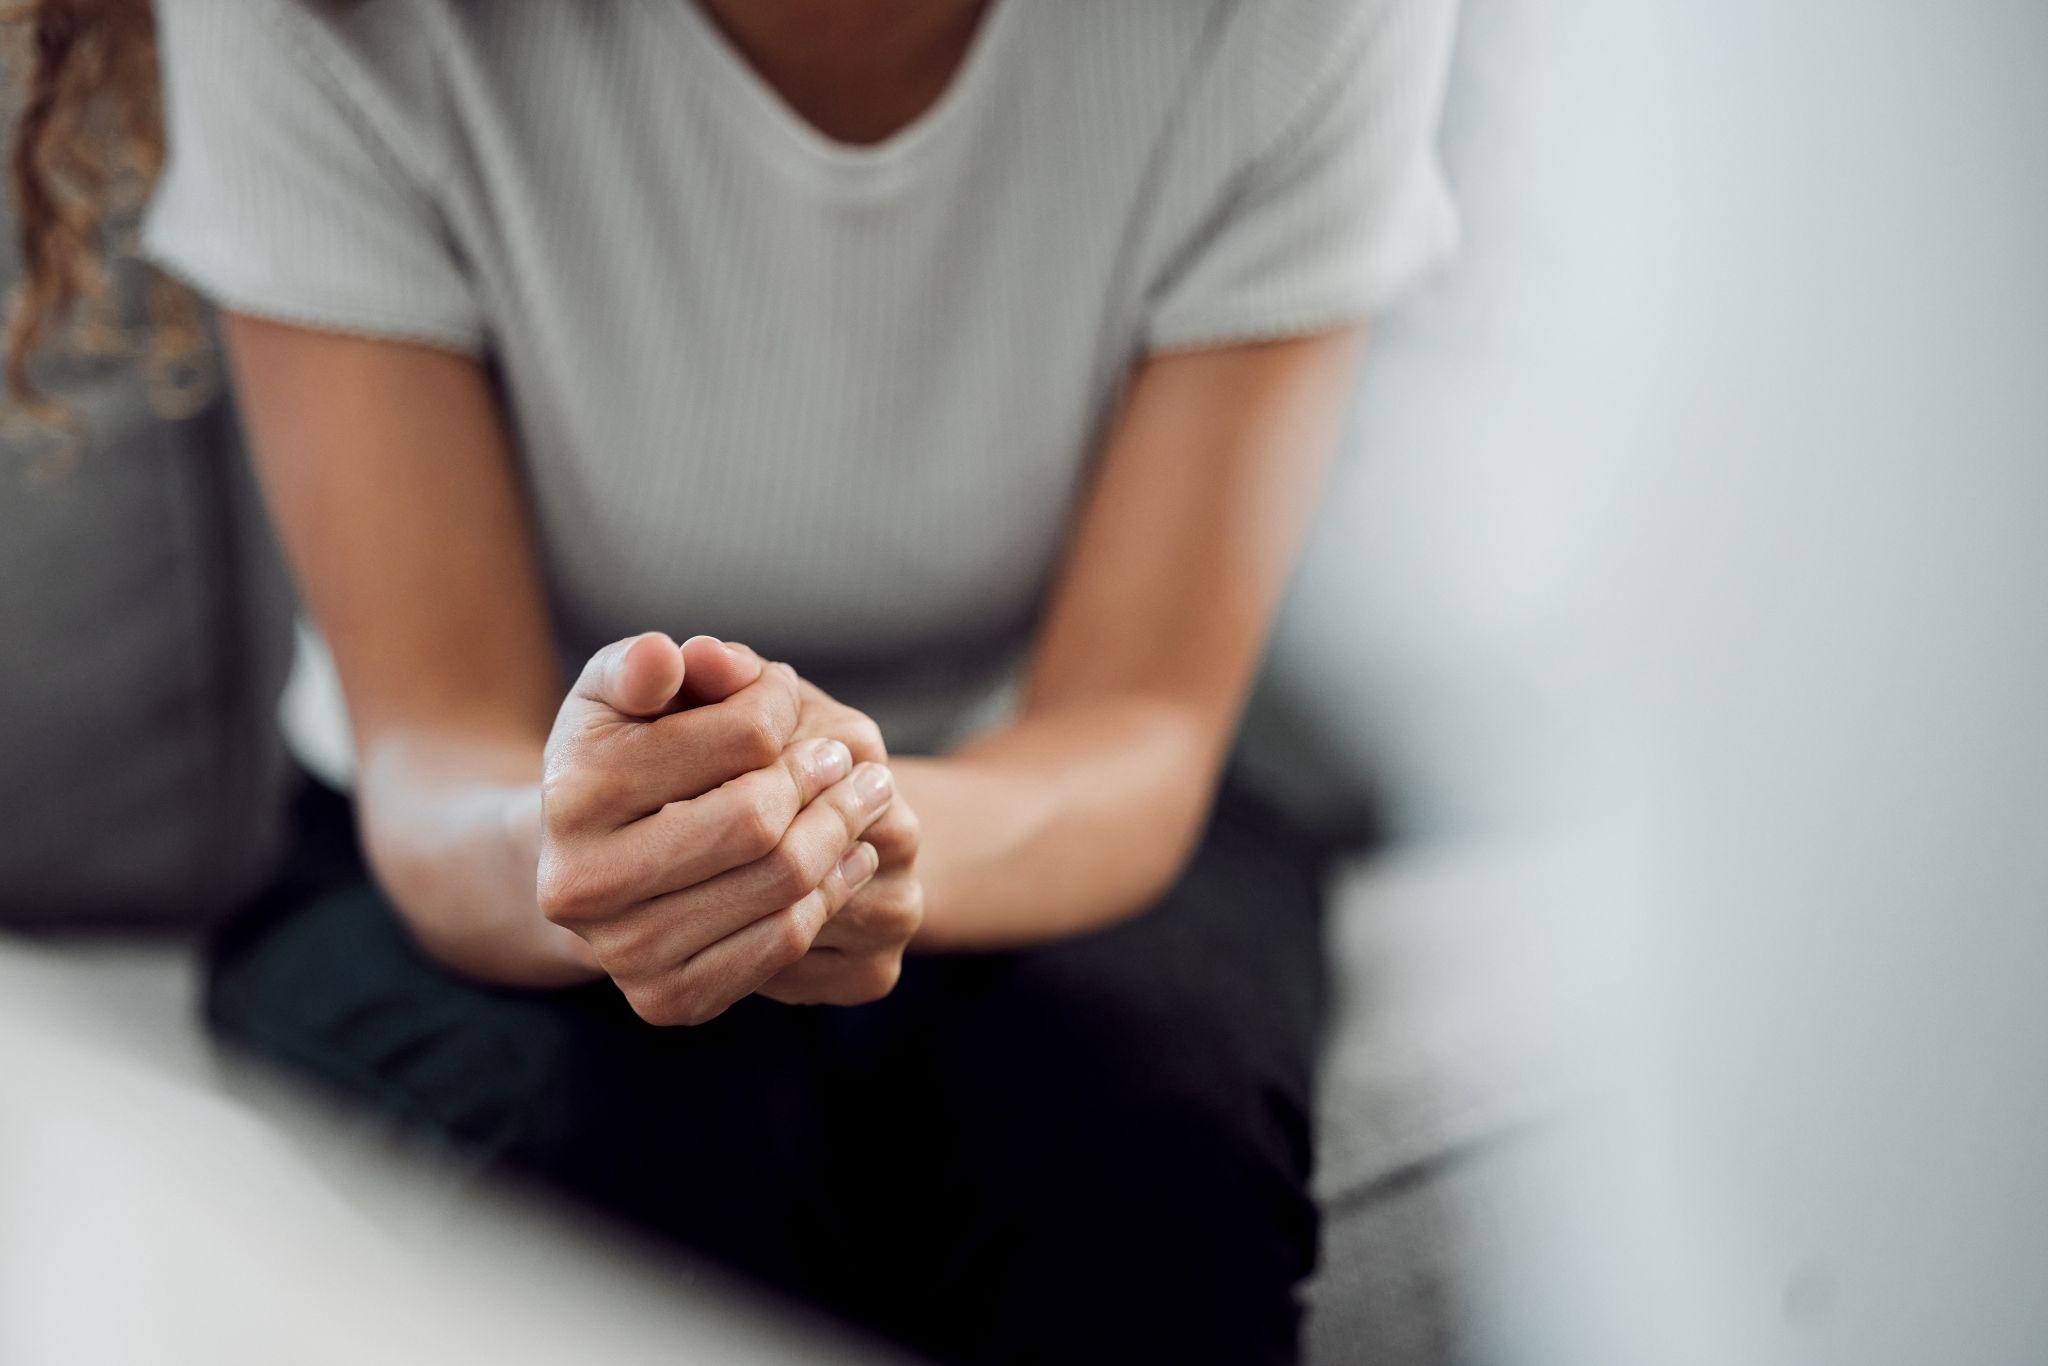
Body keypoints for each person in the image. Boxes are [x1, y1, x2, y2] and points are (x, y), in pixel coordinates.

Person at [8, 0, 1459, 1359]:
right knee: (621, 1176)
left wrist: (848, 829)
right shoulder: (324, 18)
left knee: (1146, 1158)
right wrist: (596, 844)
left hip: (1039, 793)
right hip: (485, 831)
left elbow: (1138, 717)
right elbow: (438, 736)